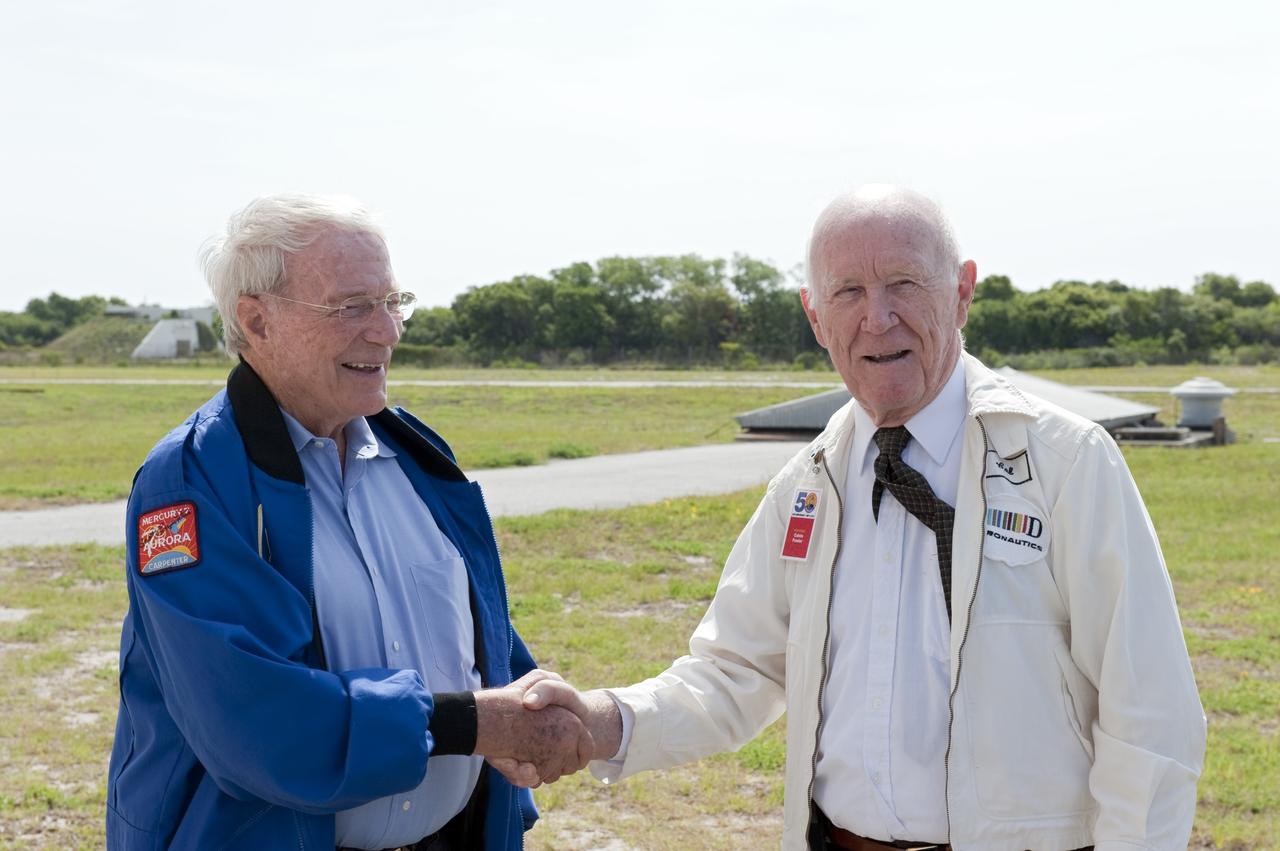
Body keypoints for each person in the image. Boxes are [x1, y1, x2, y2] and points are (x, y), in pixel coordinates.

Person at [516, 185, 1207, 850]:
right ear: (815, 316)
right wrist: (603, 722)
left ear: (962, 292)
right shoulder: (807, 483)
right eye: (848, 292)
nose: (877, 318)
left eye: (904, 283)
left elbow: (1149, 717)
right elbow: (734, 670)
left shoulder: (1066, 464)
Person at [106, 194, 590, 851]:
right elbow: (257, 722)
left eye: (393, 301)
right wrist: (472, 724)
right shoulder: (191, 482)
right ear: (256, 321)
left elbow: (467, 629)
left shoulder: (416, 455)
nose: (387, 330)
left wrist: (529, 699)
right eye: (352, 306)